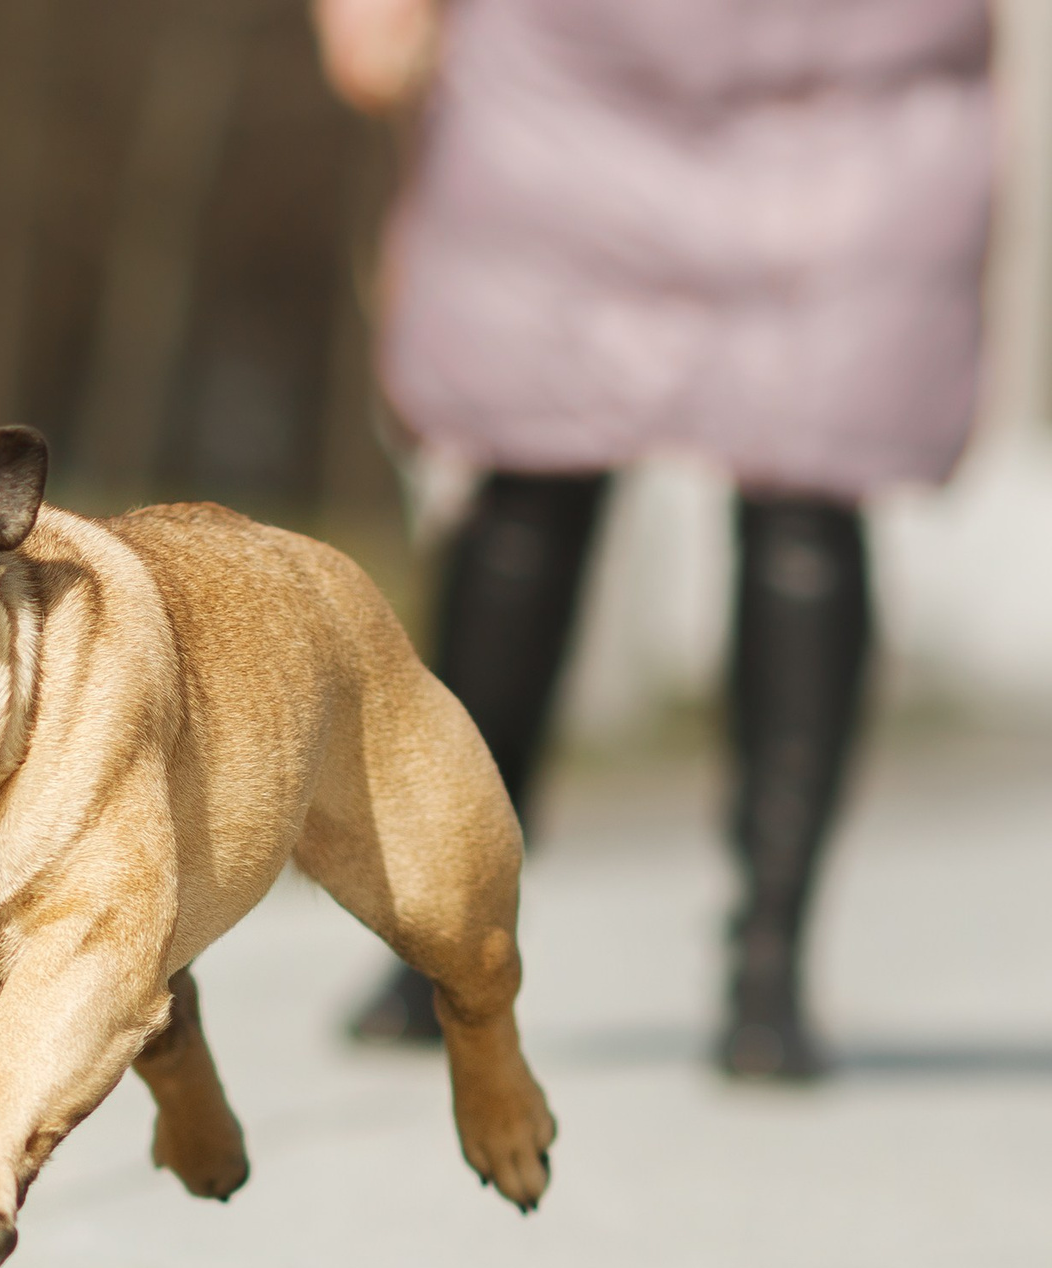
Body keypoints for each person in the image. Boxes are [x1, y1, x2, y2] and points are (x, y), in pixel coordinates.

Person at [312, 0, 997, 1079]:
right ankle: (453, 925)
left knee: (804, 484)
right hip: (580, 57)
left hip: (858, 66)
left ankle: (764, 960)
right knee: (534, 469)